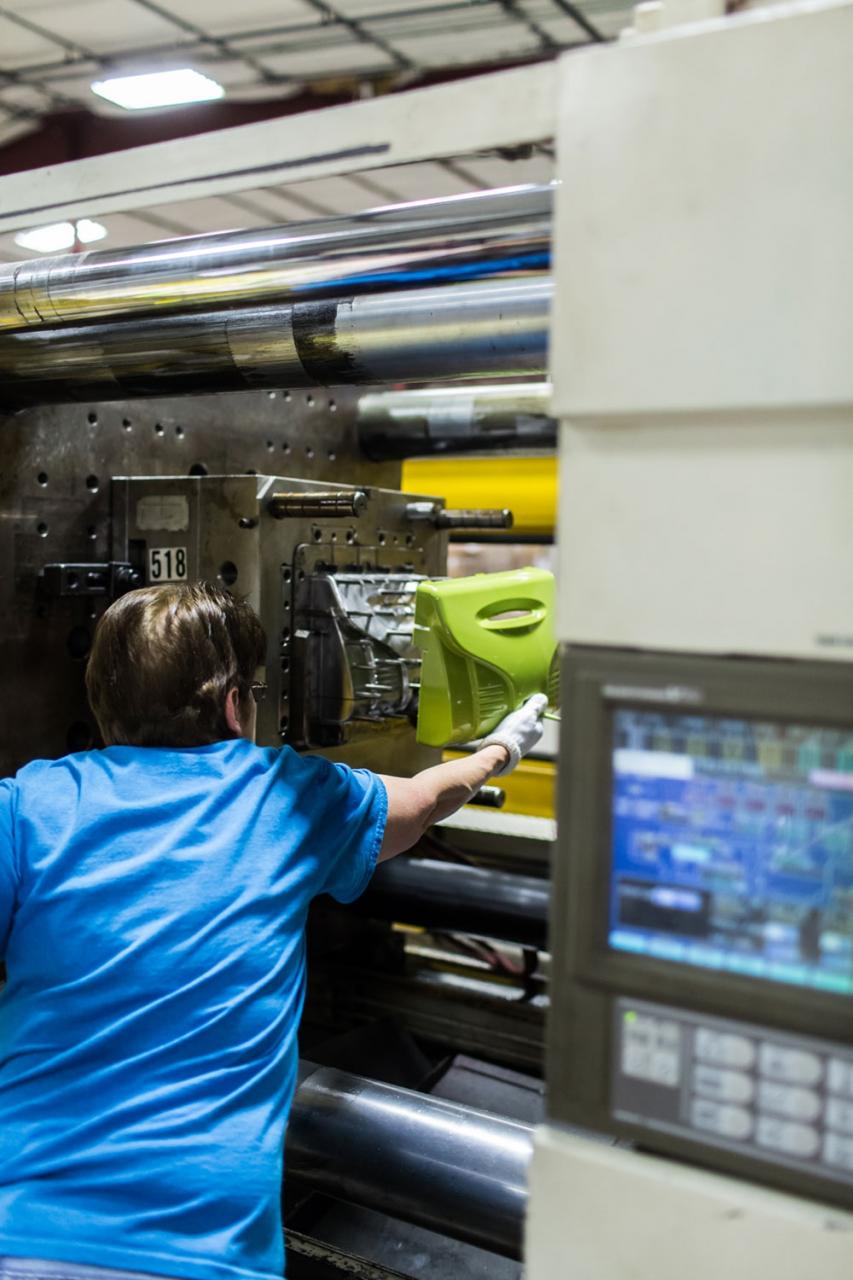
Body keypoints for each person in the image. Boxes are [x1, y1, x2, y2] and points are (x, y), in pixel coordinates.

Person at [0, 582, 546, 1280]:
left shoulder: (27, 806)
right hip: (200, 1255)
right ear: (235, 704)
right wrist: (498, 750)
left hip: (23, 1233)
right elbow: (419, 803)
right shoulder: (287, 794)